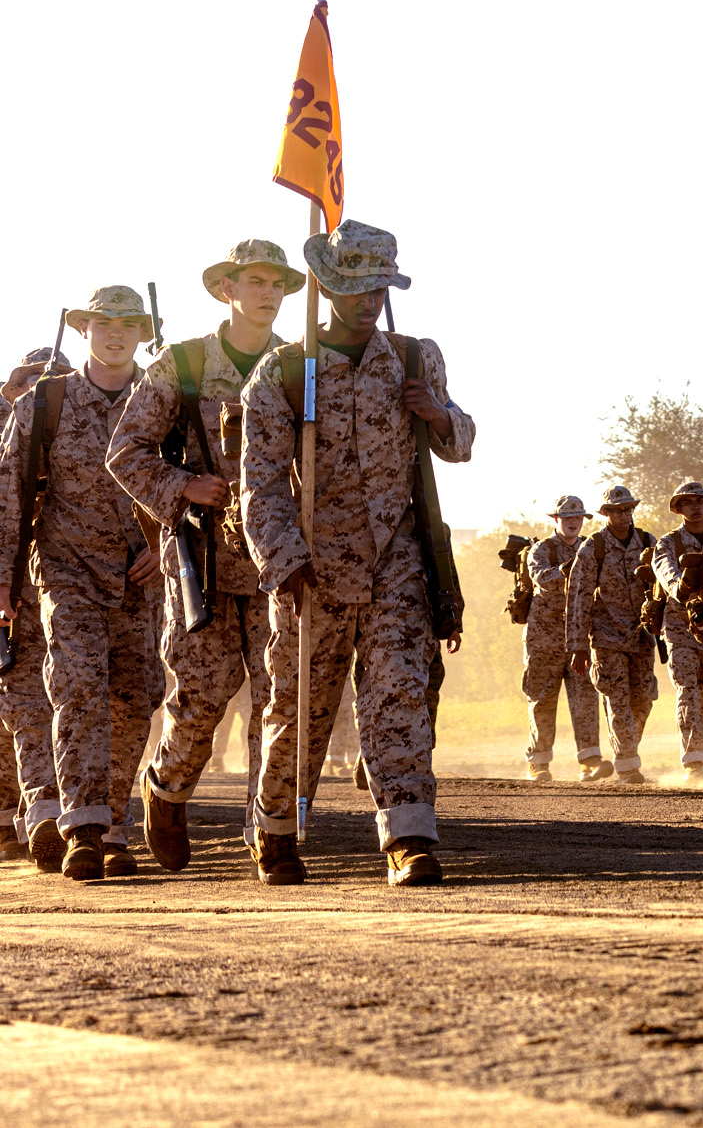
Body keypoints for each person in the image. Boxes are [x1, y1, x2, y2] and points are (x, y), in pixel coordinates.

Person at [241, 220, 474, 886]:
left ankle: (408, 835)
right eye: (356, 287)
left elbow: (460, 441)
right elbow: (259, 481)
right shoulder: (285, 371)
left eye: (379, 288)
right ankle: (276, 829)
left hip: (397, 558)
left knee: (400, 691)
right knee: (301, 705)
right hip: (312, 564)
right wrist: (285, 561)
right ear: (325, 285)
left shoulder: (413, 357)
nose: (369, 300)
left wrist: (435, 412)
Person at [108, 239, 301, 870]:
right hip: (205, 559)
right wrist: (182, 486)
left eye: (277, 283)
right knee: (202, 697)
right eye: (255, 281)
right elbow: (125, 453)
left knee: (281, 697)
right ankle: (165, 790)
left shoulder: (299, 365)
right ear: (227, 289)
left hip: (278, 558)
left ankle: (270, 831)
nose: (268, 294)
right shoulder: (184, 364)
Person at [0, 289, 167, 880]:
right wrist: (3, 577)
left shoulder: (163, 398)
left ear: (143, 333)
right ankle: (83, 829)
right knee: (78, 687)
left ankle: (113, 822)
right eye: (103, 323)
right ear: (83, 330)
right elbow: (10, 494)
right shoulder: (45, 402)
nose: (115, 334)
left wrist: (165, 546)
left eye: (128, 324)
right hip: (66, 568)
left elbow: (195, 478)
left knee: (136, 699)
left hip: (139, 576)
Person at [0, 348, 64, 871]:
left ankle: (46, 810)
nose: (37, 389)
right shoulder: (8, 427)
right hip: (13, 589)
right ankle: (28, 810)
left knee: (55, 700)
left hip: (65, 583)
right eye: (30, 380)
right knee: (21, 703)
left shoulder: (77, 427)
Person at [569, 486, 656, 784]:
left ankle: (627, 750)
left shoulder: (648, 542)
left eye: (628, 509)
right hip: (607, 637)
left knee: (643, 700)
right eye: (617, 510)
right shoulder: (593, 547)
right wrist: (578, 645)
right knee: (618, 701)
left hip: (642, 636)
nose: (624, 515)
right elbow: (579, 597)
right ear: (606, 513)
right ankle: (628, 764)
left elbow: (661, 588)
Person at [521, 495, 605, 783]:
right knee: (542, 699)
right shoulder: (542, 549)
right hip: (543, 639)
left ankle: (590, 761)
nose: (573, 522)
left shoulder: (589, 548)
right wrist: (567, 570)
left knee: (586, 699)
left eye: (578, 517)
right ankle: (538, 762)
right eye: (568, 517)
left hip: (579, 638)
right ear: (556, 520)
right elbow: (540, 578)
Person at [650, 479, 703, 785]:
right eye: (688, 503)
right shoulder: (668, 543)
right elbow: (666, 573)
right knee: (688, 690)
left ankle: (701, 757)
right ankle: (693, 763)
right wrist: (680, 585)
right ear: (679, 508)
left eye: (700, 501)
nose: (695, 507)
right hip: (680, 629)